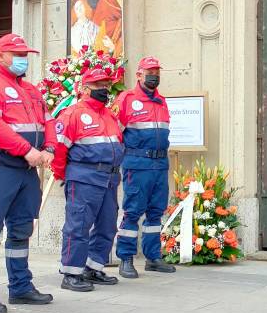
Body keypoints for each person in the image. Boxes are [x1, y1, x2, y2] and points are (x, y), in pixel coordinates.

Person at [0, 34, 57, 313]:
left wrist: (50, 148)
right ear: (0, 55)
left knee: (21, 229)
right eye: (17, 53)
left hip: (26, 170)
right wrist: (27, 150)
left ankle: (20, 287)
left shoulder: (31, 90)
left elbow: (48, 120)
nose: (23, 59)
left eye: (25, 54)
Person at [53, 66, 123, 291]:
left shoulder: (109, 114)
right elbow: (58, 148)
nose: (104, 89)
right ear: (85, 88)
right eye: (98, 86)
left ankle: (93, 268)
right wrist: (64, 175)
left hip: (109, 179)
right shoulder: (72, 113)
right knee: (78, 226)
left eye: (106, 85)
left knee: (107, 225)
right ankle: (71, 272)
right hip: (84, 179)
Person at [114, 56, 177, 278]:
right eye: (150, 72)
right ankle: (126, 258)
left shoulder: (161, 100)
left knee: (155, 213)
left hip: (160, 165)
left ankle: (153, 257)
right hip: (137, 166)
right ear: (139, 74)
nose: (154, 76)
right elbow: (115, 133)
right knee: (132, 213)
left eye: (157, 72)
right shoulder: (127, 99)